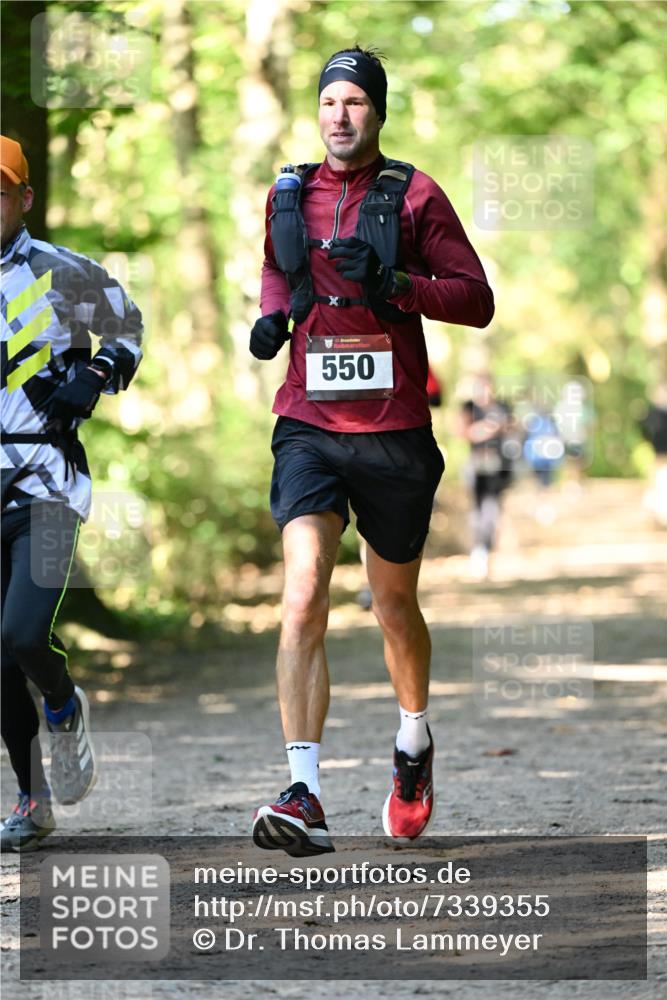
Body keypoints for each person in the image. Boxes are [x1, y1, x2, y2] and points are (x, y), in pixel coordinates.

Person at [248, 48, 494, 856]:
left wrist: (397, 287)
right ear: (316, 113)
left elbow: (475, 299)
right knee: (303, 594)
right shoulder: (288, 192)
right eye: (329, 103)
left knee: (392, 608)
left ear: (377, 112)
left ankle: (413, 743)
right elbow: (277, 274)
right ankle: (303, 790)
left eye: (355, 102)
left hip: (391, 433)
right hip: (308, 425)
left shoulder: (413, 195)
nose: (340, 115)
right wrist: (272, 317)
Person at [0, 136, 143, 851]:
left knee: (22, 635)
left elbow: (128, 323)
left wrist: (99, 374)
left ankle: (62, 702)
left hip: (48, 481)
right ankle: (33, 801)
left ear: (23, 198)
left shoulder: (60, 271)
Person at [459, 374, 513, 580]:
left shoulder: (502, 406)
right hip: (477, 464)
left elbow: (514, 429)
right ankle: (478, 550)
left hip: (499, 466)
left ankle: (488, 550)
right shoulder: (468, 407)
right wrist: (488, 429)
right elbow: (464, 431)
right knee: (477, 510)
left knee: (493, 510)